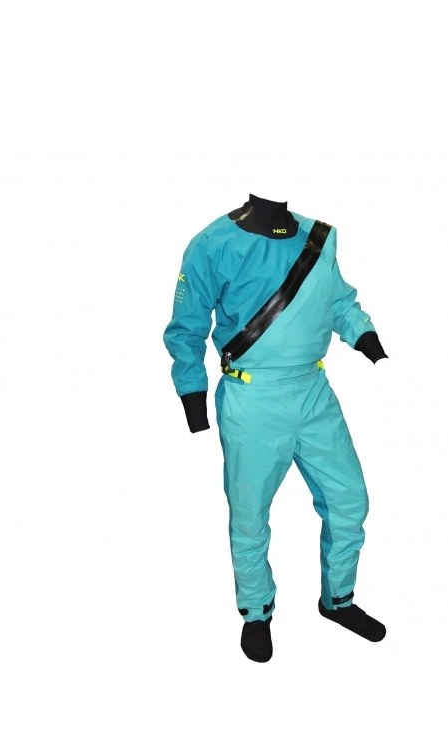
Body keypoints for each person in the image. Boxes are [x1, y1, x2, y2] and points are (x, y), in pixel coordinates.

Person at [163, 193, 388, 662]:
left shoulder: (317, 237)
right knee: (250, 514)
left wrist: (367, 339)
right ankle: (256, 612)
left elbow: (339, 301)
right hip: (253, 398)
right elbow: (187, 326)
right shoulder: (212, 243)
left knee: (349, 499)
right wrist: (193, 398)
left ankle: (338, 600)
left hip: (314, 390)